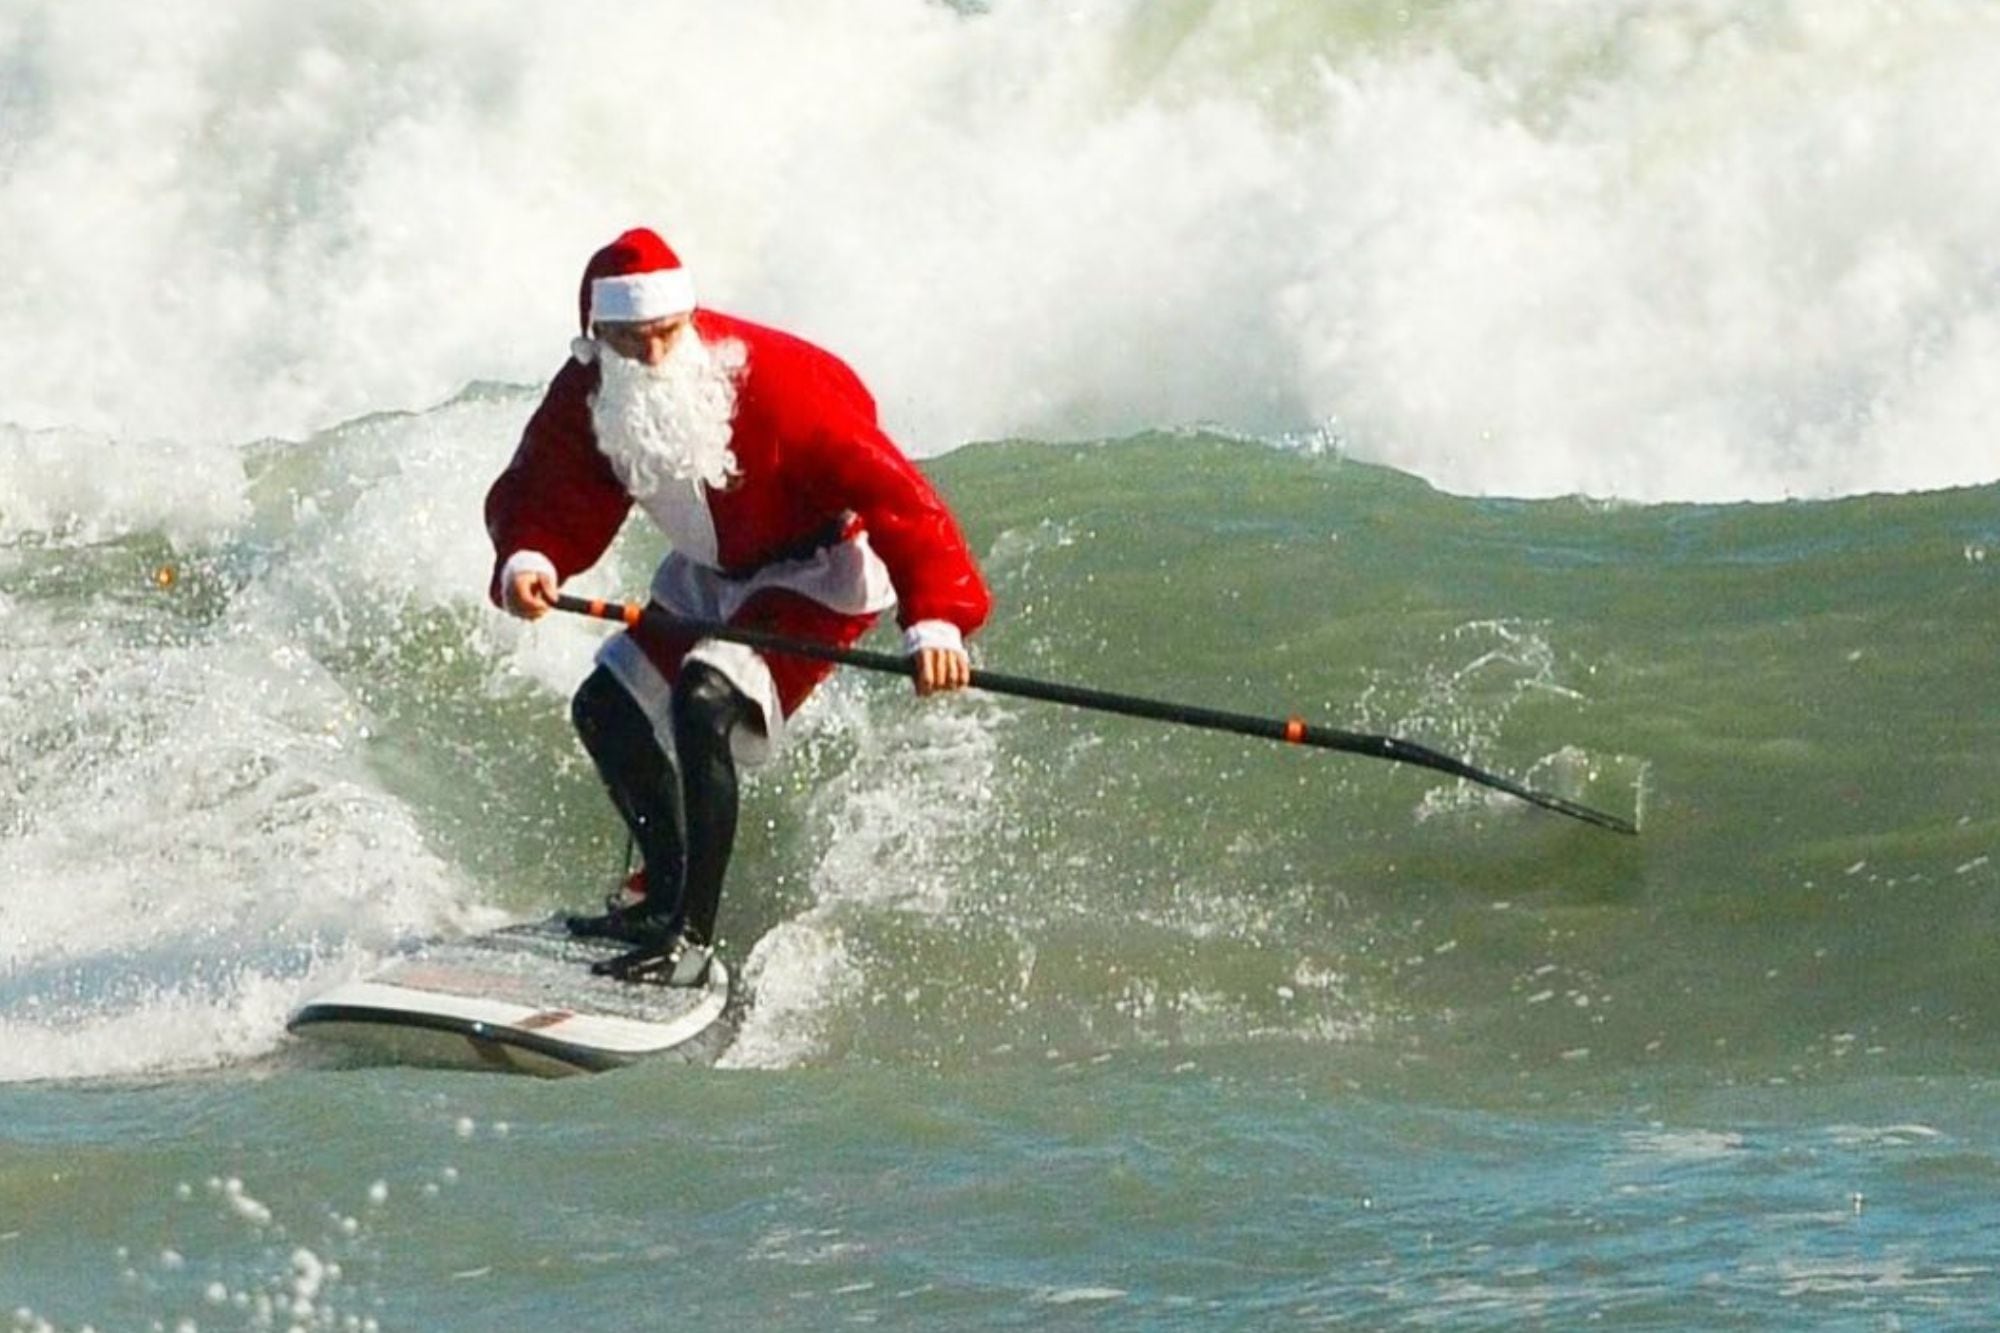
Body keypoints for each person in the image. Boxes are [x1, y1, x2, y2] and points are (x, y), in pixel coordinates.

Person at [485, 227, 991, 986]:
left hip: (815, 572)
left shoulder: (778, 385)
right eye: (631, 342)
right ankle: (659, 895)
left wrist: (936, 618)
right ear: (597, 339)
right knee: (605, 707)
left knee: (703, 699)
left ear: (687, 321)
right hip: (710, 574)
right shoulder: (590, 389)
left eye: (665, 335)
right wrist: (530, 556)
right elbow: (548, 483)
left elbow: (897, 497)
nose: (653, 357)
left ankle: (691, 937)